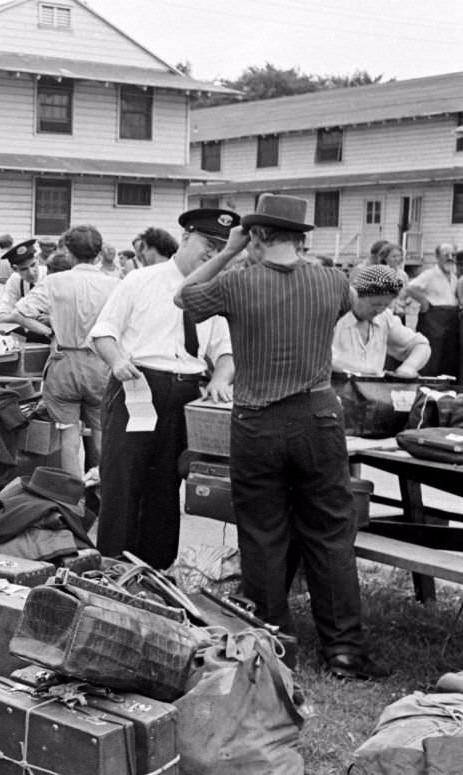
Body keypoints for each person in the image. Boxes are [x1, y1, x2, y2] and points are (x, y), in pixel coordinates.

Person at [176, 193, 388, 681]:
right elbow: (346, 302)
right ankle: (345, 652)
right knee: (332, 533)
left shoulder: (237, 282)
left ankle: (273, 646)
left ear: (256, 235)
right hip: (317, 416)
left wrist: (227, 252)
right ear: (300, 236)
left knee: (263, 534)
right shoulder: (333, 281)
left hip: (256, 421)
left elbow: (183, 297)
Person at [89, 208, 237, 569]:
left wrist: (220, 379)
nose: (212, 254)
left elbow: (227, 351)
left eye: (221, 248)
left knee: (166, 484)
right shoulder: (141, 280)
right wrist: (118, 361)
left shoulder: (214, 292)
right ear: (186, 237)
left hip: (186, 392)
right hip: (138, 385)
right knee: (123, 479)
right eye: (208, 243)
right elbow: (103, 330)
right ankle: (112, 564)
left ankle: (155, 568)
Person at [13, 225, 119, 478]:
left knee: (68, 438)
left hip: (63, 362)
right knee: (103, 434)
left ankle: (75, 500)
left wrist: (49, 331)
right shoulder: (115, 284)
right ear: (99, 252)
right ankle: (106, 494)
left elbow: (20, 312)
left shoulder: (54, 281)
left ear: (69, 253)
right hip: (100, 362)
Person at [332, 265, 430, 376]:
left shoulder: (384, 318)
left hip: (373, 391)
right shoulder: (335, 318)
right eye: (375, 304)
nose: (379, 310)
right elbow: (325, 359)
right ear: (356, 295)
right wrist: (366, 370)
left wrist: (408, 368)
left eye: (386, 305)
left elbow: (420, 345)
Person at [402, 243, 458, 376]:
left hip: (451, 318)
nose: (450, 258)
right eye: (446, 255)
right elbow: (410, 288)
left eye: (453, 255)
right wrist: (424, 301)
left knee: (448, 354)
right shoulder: (429, 274)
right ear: (437, 257)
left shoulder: (454, 276)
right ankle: (427, 387)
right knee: (432, 354)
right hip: (434, 318)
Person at [0, 239, 45, 323]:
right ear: (15, 269)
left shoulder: (49, 275)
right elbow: (2, 314)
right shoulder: (15, 279)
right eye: (24, 269)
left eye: (33, 265)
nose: (31, 273)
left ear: (37, 261)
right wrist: (17, 318)